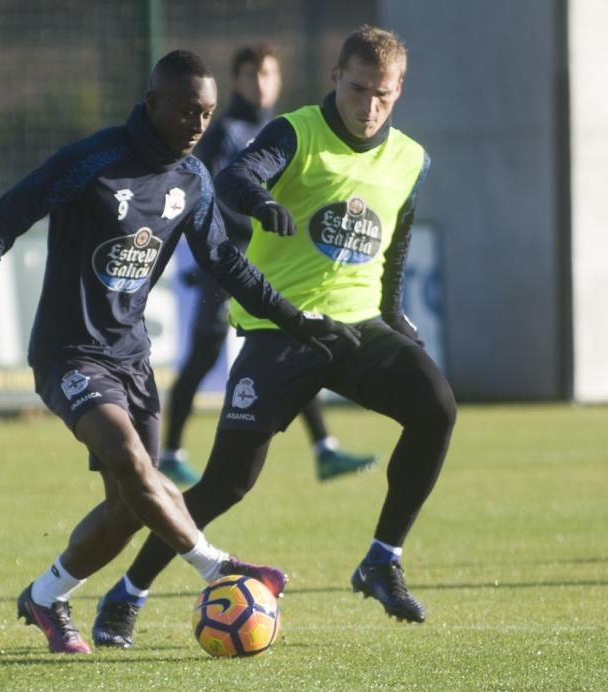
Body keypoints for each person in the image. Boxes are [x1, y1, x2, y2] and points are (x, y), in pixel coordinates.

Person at [0, 50, 360, 654]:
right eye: (186, 110)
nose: (198, 124)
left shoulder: (194, 179)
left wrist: (292, 318)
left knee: (130, 508)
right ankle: (221, 569)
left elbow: (225, 264)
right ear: (153, 101)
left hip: (132, 359)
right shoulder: (94, 161)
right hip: (68, 355)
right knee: (133, 461)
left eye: (207, 113)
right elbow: (0, 223)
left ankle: (46, 597)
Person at [93, 26, 457, 648]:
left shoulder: (410, 160)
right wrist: (259, 202)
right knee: (227, 484)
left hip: (358, 329)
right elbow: (236, 177)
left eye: (384, 96)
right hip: (278, 328)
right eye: (360, 88)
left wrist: (393, 315)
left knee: (437, 409)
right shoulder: (295, 132)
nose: (370, 106)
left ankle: (382, 559)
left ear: (399, 92)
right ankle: (128, 592)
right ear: (336, 76)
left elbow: (394, 245)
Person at [161, 42, 377, 485]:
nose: (262, 85)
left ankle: (324, 448)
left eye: (269, 75)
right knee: (205, 357)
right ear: (237, 81)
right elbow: (216, 195)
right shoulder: (226, 132)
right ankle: (169, 452)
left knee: (292, 343)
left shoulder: (286, 129)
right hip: (231, 264)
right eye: (252, 76)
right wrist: (255, 219)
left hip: (273, 265)